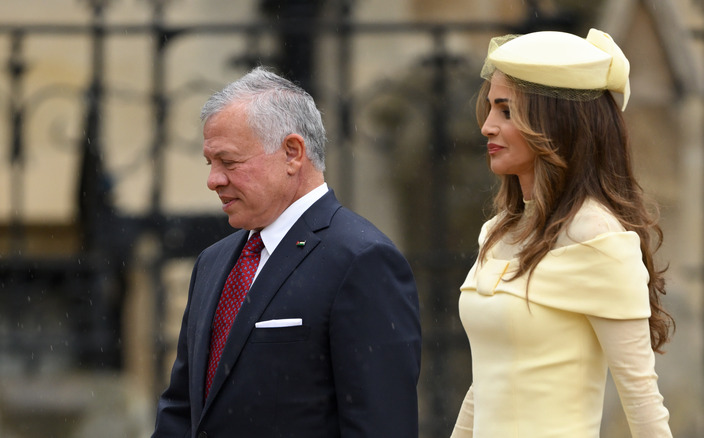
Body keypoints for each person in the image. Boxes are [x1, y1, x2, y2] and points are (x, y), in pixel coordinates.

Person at [152, 66, 422, 437]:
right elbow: (181, 410)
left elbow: (380, 424)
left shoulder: (362, 259)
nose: (213, 180)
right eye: (210, 164)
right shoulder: (212, 262)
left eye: (229, 162)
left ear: (292, 153)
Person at [451, 29, 675, 437]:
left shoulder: (596, 234)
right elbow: (486, 384)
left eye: (505, 111)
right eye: (489, 109)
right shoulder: (497, 232)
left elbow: (641, 399)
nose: (486, 126)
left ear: (554, 124)